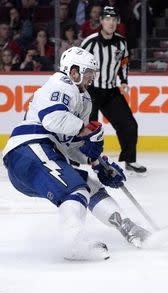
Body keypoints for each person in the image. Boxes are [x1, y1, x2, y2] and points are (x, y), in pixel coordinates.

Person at [2, 47, 150, 261]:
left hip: (41, 155)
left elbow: (70, 144)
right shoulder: (61, 84)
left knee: (90, 185)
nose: (92, 77)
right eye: (88, 72)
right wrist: (86, 132)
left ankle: (128, 227)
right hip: (30, 150)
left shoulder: (83, 99)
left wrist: (98, 163)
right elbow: (52, 118)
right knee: (76, 189)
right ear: (73, 71)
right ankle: (72, 242)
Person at [81, 6, 147, 173]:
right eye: (107, 19)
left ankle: (129, 160)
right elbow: (79, 63)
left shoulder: (121, 42)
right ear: (101, 21)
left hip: (111, 91)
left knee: (129, 125)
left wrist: (124, 80)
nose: (110, 23)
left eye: (114, 19)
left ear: (117, 22)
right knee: (88, 128)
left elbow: (124, 62)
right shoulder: (89, 42)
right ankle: (82, 159)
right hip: (91, 90)